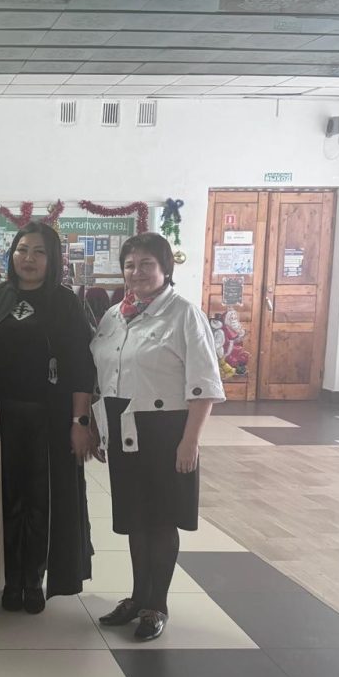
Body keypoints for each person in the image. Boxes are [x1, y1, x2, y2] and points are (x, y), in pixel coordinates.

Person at [90, 232, 224, 641]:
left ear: (165, 268)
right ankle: (137, 597)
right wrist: (100, 429)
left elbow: (204, 384)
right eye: (130, 265)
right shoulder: (114, 316)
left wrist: (190, 441)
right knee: (136, 518)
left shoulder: (184, 314)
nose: (137, 272)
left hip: (166, 431)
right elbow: (103, 376)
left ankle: (156, 605)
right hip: (123, 426)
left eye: (146, 264)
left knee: (161, 519)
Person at [0, 221, 95, 614]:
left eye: (39, 252)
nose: (28, 258)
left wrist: (80, 423)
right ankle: (10, 578)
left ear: (53, 259)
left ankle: (34, 578)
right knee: (7, 499)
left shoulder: (65, 303)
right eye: (22, 249)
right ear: (11, 254)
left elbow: (81, 368)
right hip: (4, 420)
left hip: (51, 420)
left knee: (42, 500)